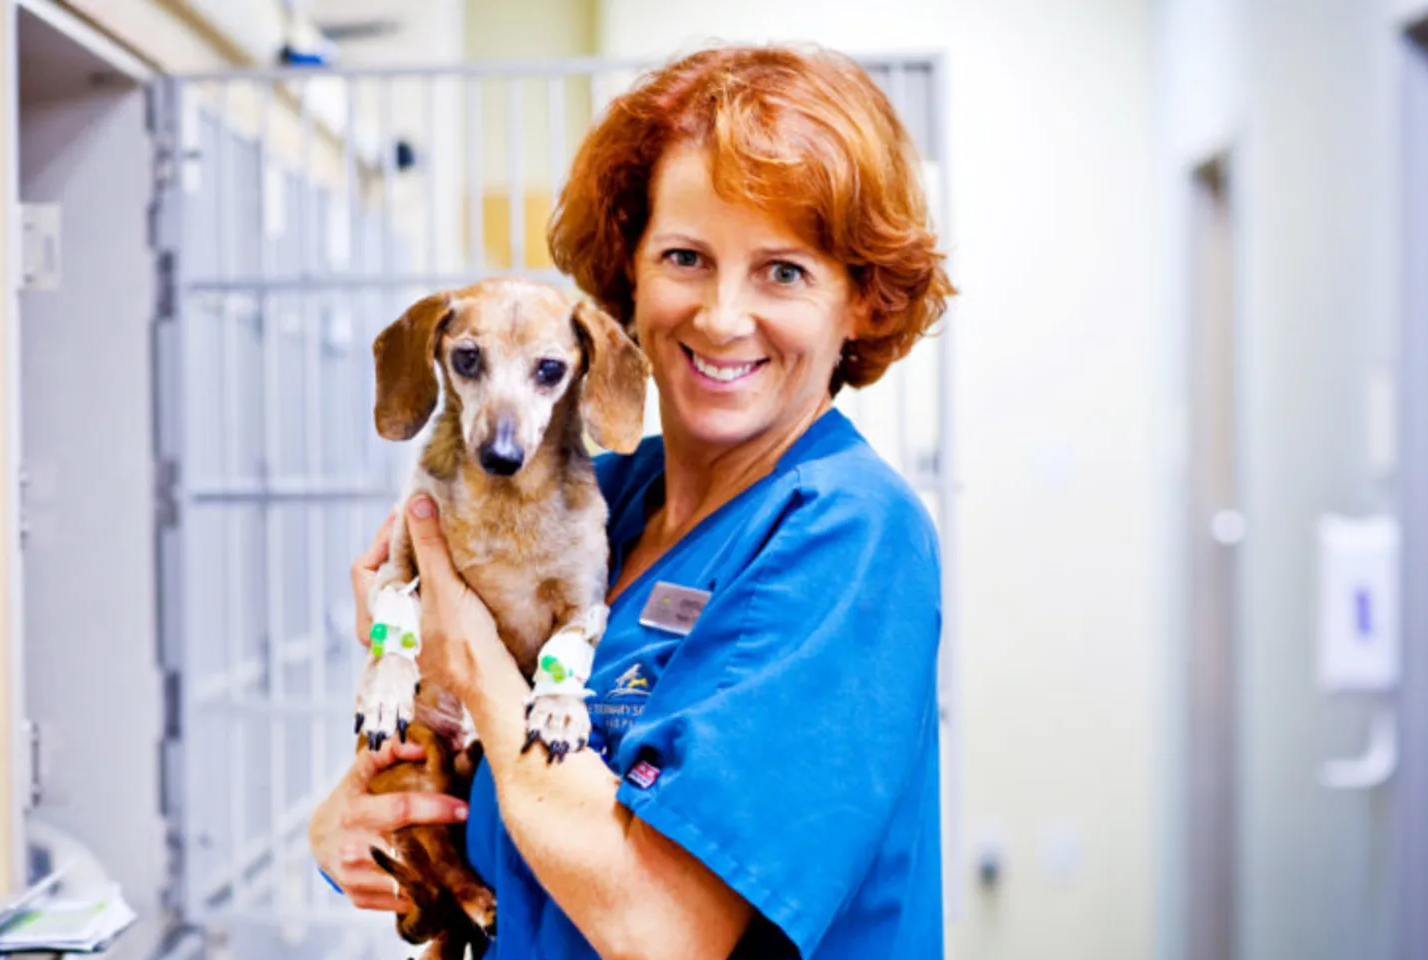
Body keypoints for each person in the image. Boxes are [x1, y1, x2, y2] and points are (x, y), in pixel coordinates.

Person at [310, 44, 954, 958]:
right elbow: (452, 790)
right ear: (629, 275)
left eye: (785, 272)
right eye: (686, 257)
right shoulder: (595, 496)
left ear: (860, 302)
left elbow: (663, 931)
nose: (723, 317)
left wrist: (473, 663)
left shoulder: (850, 539)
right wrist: (349, 824)